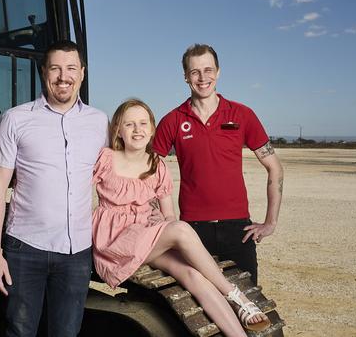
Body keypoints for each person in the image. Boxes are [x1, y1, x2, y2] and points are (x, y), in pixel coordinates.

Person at [93, 98, 271, 334]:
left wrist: (160, 223)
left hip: (146, 238)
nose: (137, 130)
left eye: (143, 123)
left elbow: (168, 215)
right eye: (130, 124)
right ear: (118, 130)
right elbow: (80, 200)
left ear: (152, 128)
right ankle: (234, 295)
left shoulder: (157, 165)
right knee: (181, 229)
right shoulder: (106, 158)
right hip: (115, 241)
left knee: (192, 275)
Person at [0, 40, 108, 337]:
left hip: (76, 252)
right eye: (55, 68)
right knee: (20, 331)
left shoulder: (100, 122)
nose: (62, 76)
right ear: (44, 72)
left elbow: (112, 180)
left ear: (82, 73)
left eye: (70, 68)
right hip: (25, 248)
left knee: (66, 333)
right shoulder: (15, 119)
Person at [152, 44, 283, 285]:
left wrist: (270, 222)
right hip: (192, 230)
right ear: (185, 76)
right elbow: (149, 170)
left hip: (238, 230)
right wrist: (158, 216)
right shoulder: (172, 120)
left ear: (218, 72)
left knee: (247, 302)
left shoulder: (242, 114)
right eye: (195, 72)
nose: (203, 78)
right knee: (197, 310)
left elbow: (274, 167)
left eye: (208, 70)